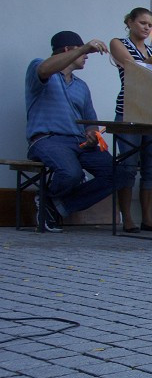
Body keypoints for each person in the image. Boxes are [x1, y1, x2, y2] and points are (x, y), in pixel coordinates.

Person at [25, 31, 114, 231]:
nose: (87, 56)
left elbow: (91, 121)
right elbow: (45, 68)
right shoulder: (39, 66)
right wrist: (85, 47)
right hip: (48, 140)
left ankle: (54, 205)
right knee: (71, 173)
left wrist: (93, 134)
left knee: (118, 172)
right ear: (68, 50)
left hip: (80, 143)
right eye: (82, 52)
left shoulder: (82, 86)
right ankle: (50, 204)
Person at [110, 7, 152, 232]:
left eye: (150, 25)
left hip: (151, 112)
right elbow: (132, 67)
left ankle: (147, 217)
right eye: (142, 23)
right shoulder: (118, 43)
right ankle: (127, 217)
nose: (147, 28)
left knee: (151, 166)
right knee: (129, 164)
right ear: (130, 22)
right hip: (128, 110)